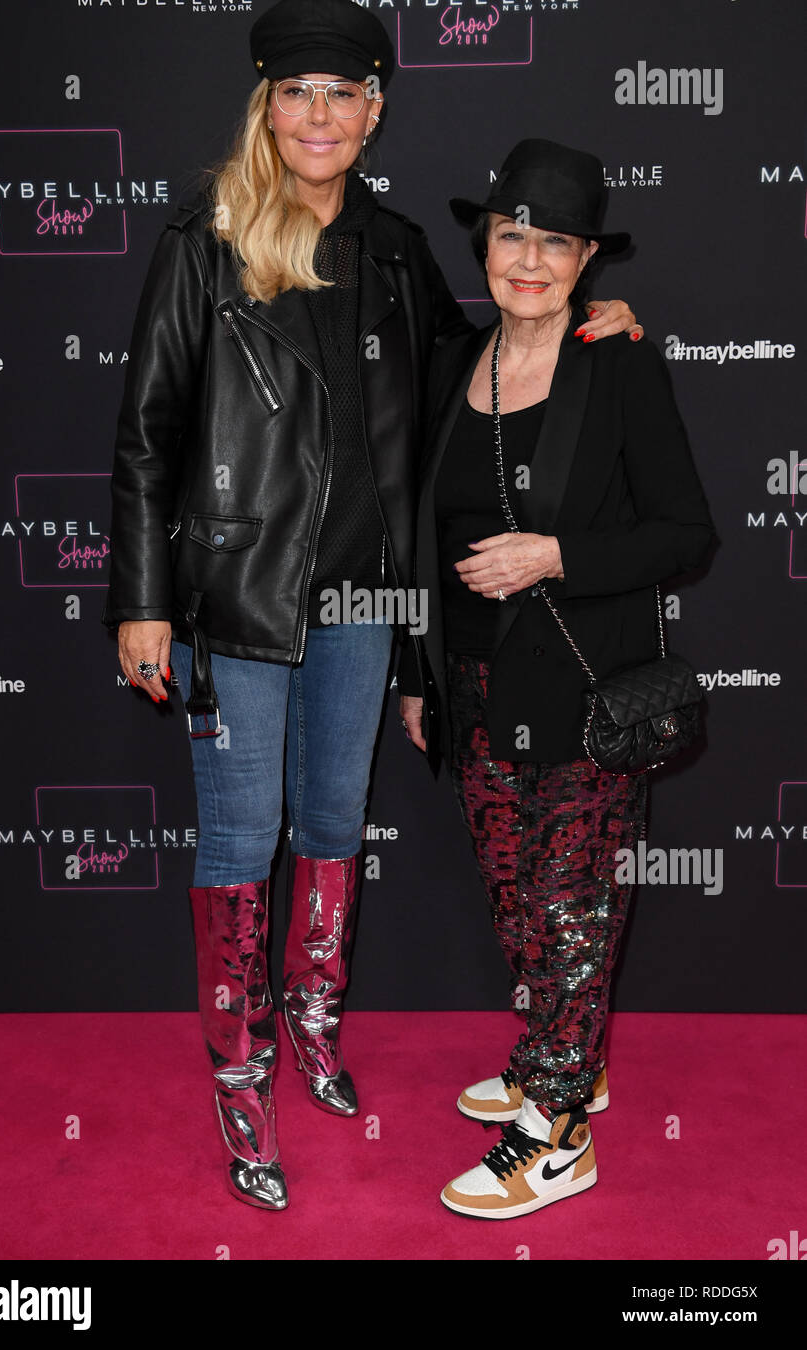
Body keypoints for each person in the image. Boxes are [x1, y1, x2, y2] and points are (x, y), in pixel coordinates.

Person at [103, 0, 641, 1214]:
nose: (319, 115)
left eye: (341, 94)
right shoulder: (205, 237)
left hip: (363, 596)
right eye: (296, 92)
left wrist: (585, 316)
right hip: (236, 592)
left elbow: (474, 370)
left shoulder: (396, 248)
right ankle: (240, 1073)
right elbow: (146, 432)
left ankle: (311, 1028)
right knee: (242, 844)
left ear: (374, 110)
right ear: (266, 106)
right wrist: (141, 599)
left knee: (335, 823)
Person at [399, 138, 715, 1220]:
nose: (528, 261)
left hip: (588, 690)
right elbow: (420, 534)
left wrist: (558, 555)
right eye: (510, 237)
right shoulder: (455, 364)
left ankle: (558, 1131)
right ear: (484, 244)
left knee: (574, 904)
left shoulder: (617, 361)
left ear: (588, 259)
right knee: (518, 904)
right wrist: (419, 674)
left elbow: (687, 530)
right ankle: (560, 1056)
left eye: (555, 243)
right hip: (480, 692)